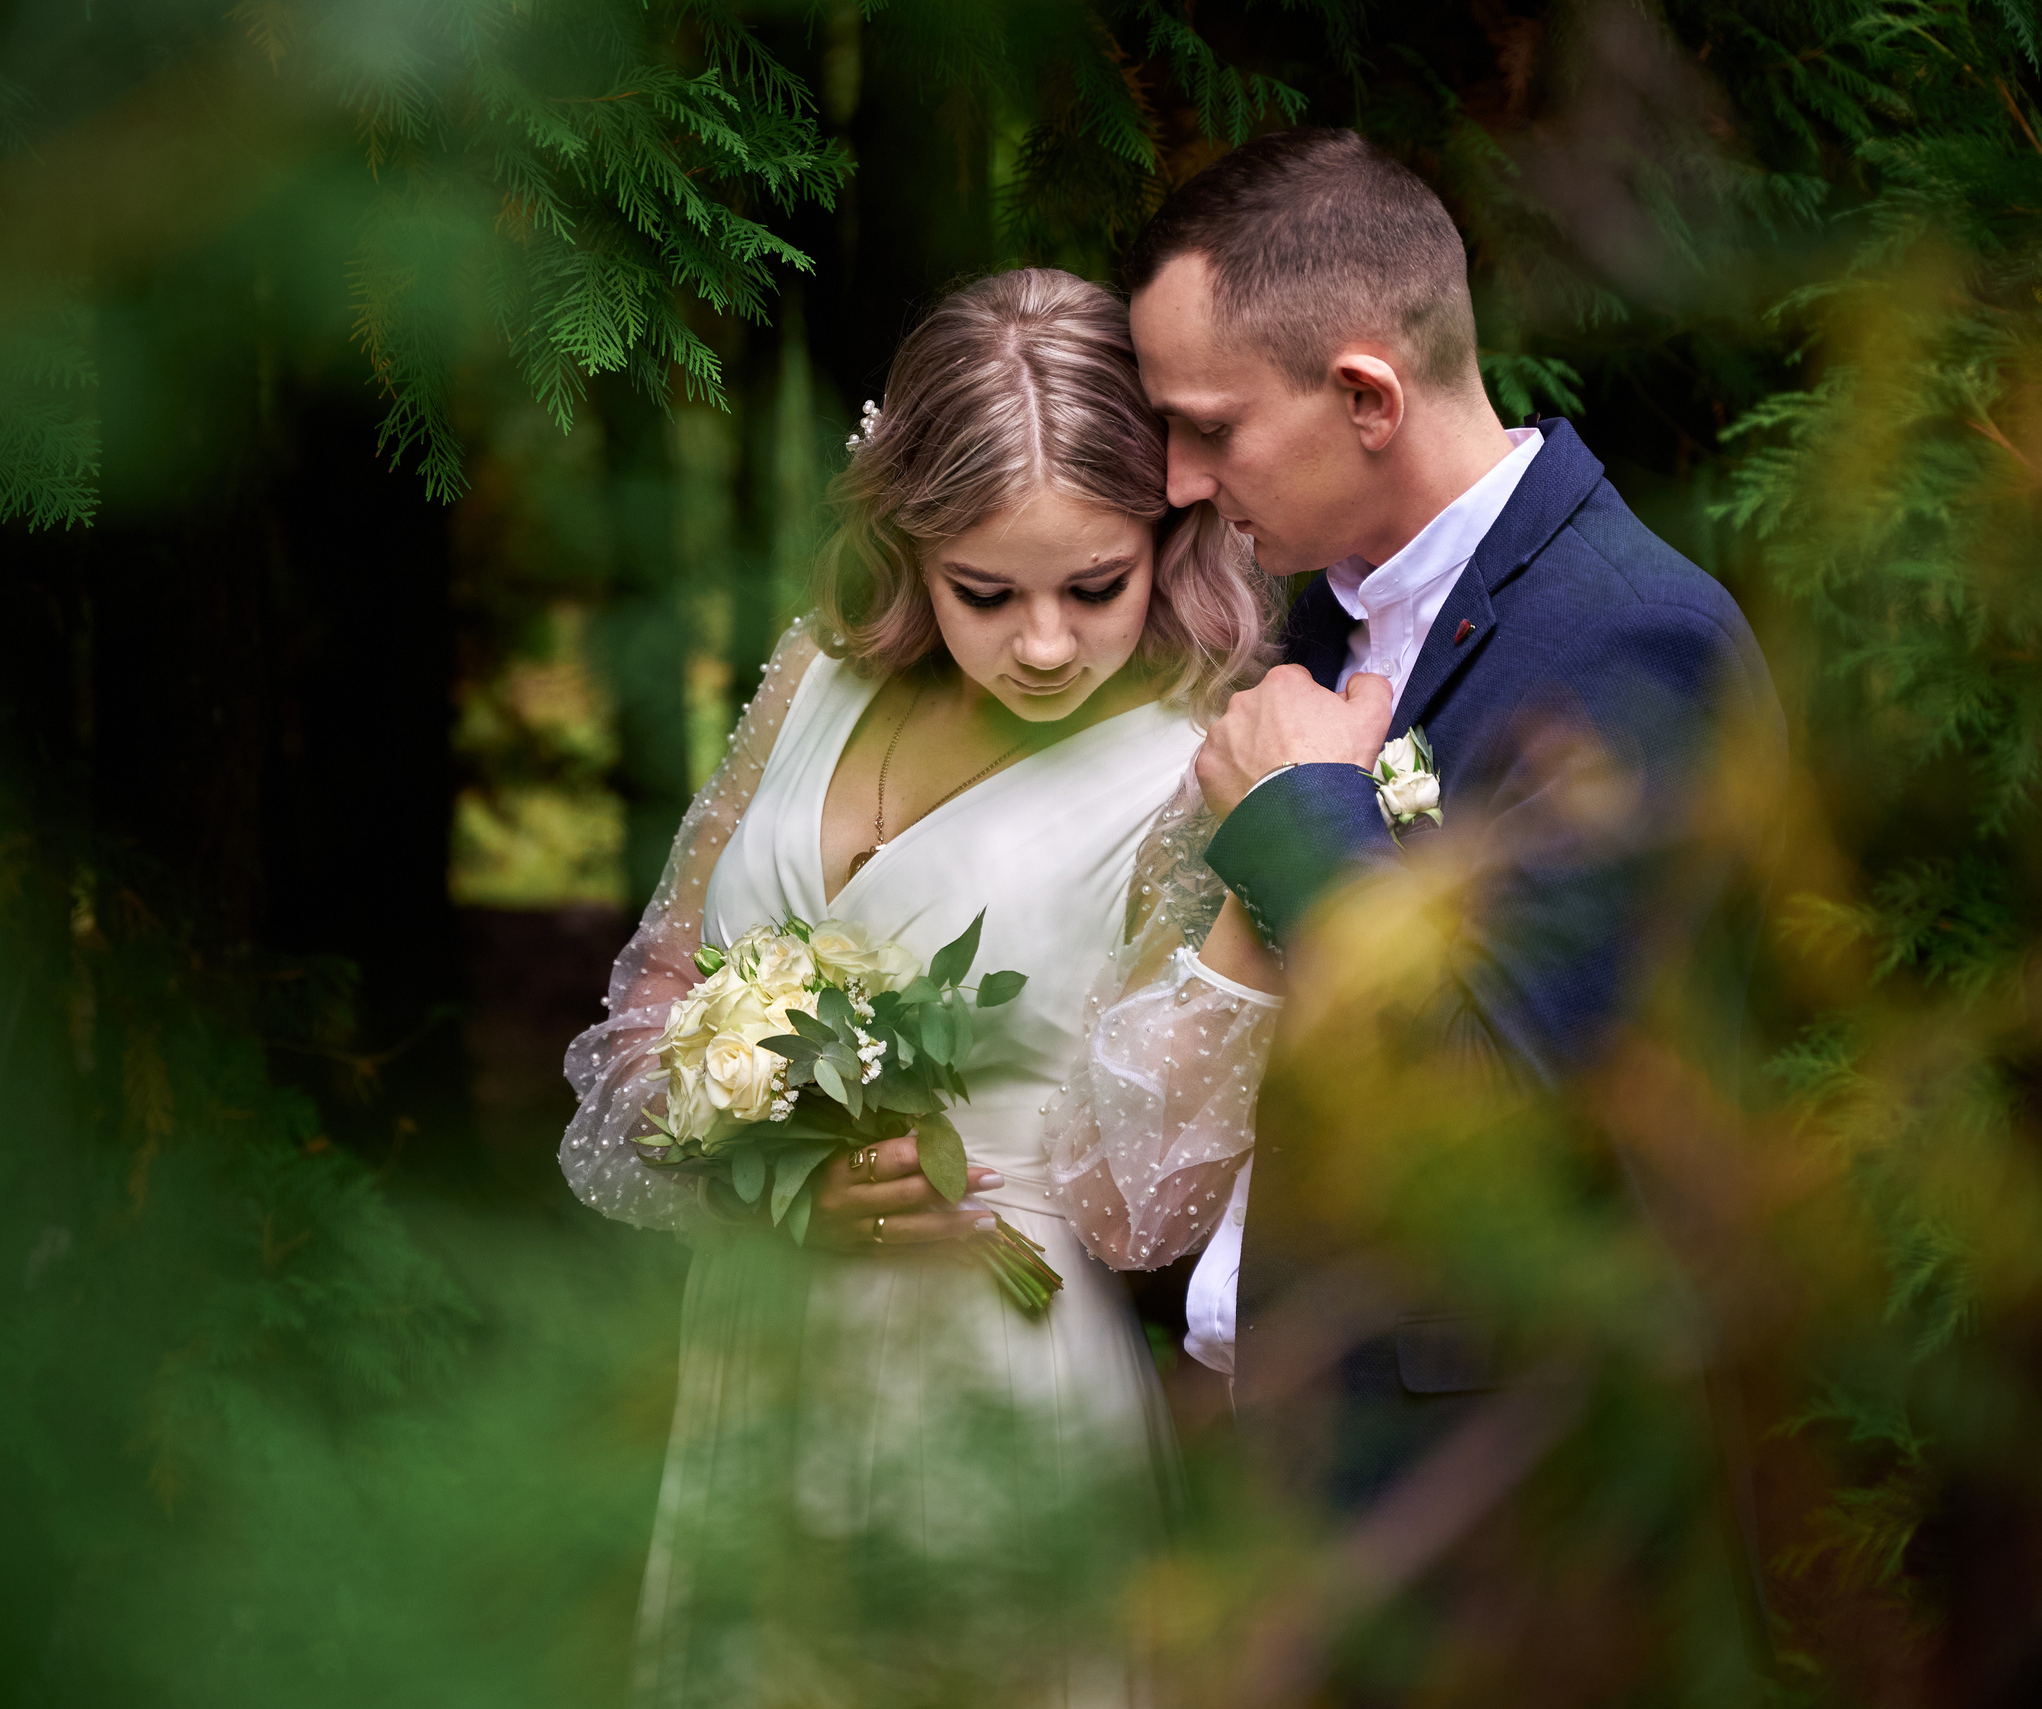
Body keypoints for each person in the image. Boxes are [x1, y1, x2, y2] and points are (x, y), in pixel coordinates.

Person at [561, 268, 1284, 1707]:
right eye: (982, 590)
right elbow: (638, 1030)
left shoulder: (1197, 757)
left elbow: (1147, 1199)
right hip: (759, 1344)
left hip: (995, 1362)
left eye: (1096, 584)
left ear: (1167, 536)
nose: (1042, 643)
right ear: (906, 546)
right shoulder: (815, 677)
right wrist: (764, 1174)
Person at [1124, 125, 1782, 1625]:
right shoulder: (1316, 627)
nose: (1176, 478)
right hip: (1301, 1485)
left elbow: (1508, 1116)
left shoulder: (1637, 644)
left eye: (1208, 427)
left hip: (1504, 1539)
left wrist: (1306, 821)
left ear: (1365, 393)